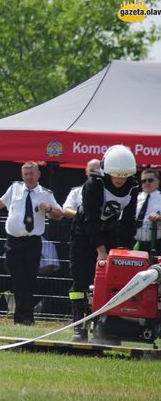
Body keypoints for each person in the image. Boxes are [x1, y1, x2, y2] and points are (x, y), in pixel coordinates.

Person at [68, 145, 138, 343]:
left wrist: (123, 250)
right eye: (116, 175)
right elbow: (91, 219)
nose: (120, 180)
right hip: (83, 233)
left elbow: (128, 221)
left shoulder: (132, 186)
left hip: (109, 232)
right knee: (80, 281)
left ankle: (104, 329)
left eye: (124, 176)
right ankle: (79, 327)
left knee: (109, 283)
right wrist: (100, 251)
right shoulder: (94, 184)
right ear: (108, 171)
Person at [0, 161, 62, 325]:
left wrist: (48, 209)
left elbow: (59, 214)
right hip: (13, 242)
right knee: (18, 279)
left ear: (38, 175)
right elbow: (1, 202)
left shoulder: (46, 194)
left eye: (31, 173)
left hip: (32, 242)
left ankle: (24, 317)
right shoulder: (15, 188)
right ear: (22, 175)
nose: (28, 177)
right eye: (26, 174)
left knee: (29, 279)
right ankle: (24, 317)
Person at [134, 169, 161, 254]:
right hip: (136, 243)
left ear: (158, 182)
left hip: (156, 244)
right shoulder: (135, 198)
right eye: (143, 181)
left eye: (150, 180)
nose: (147, 183)